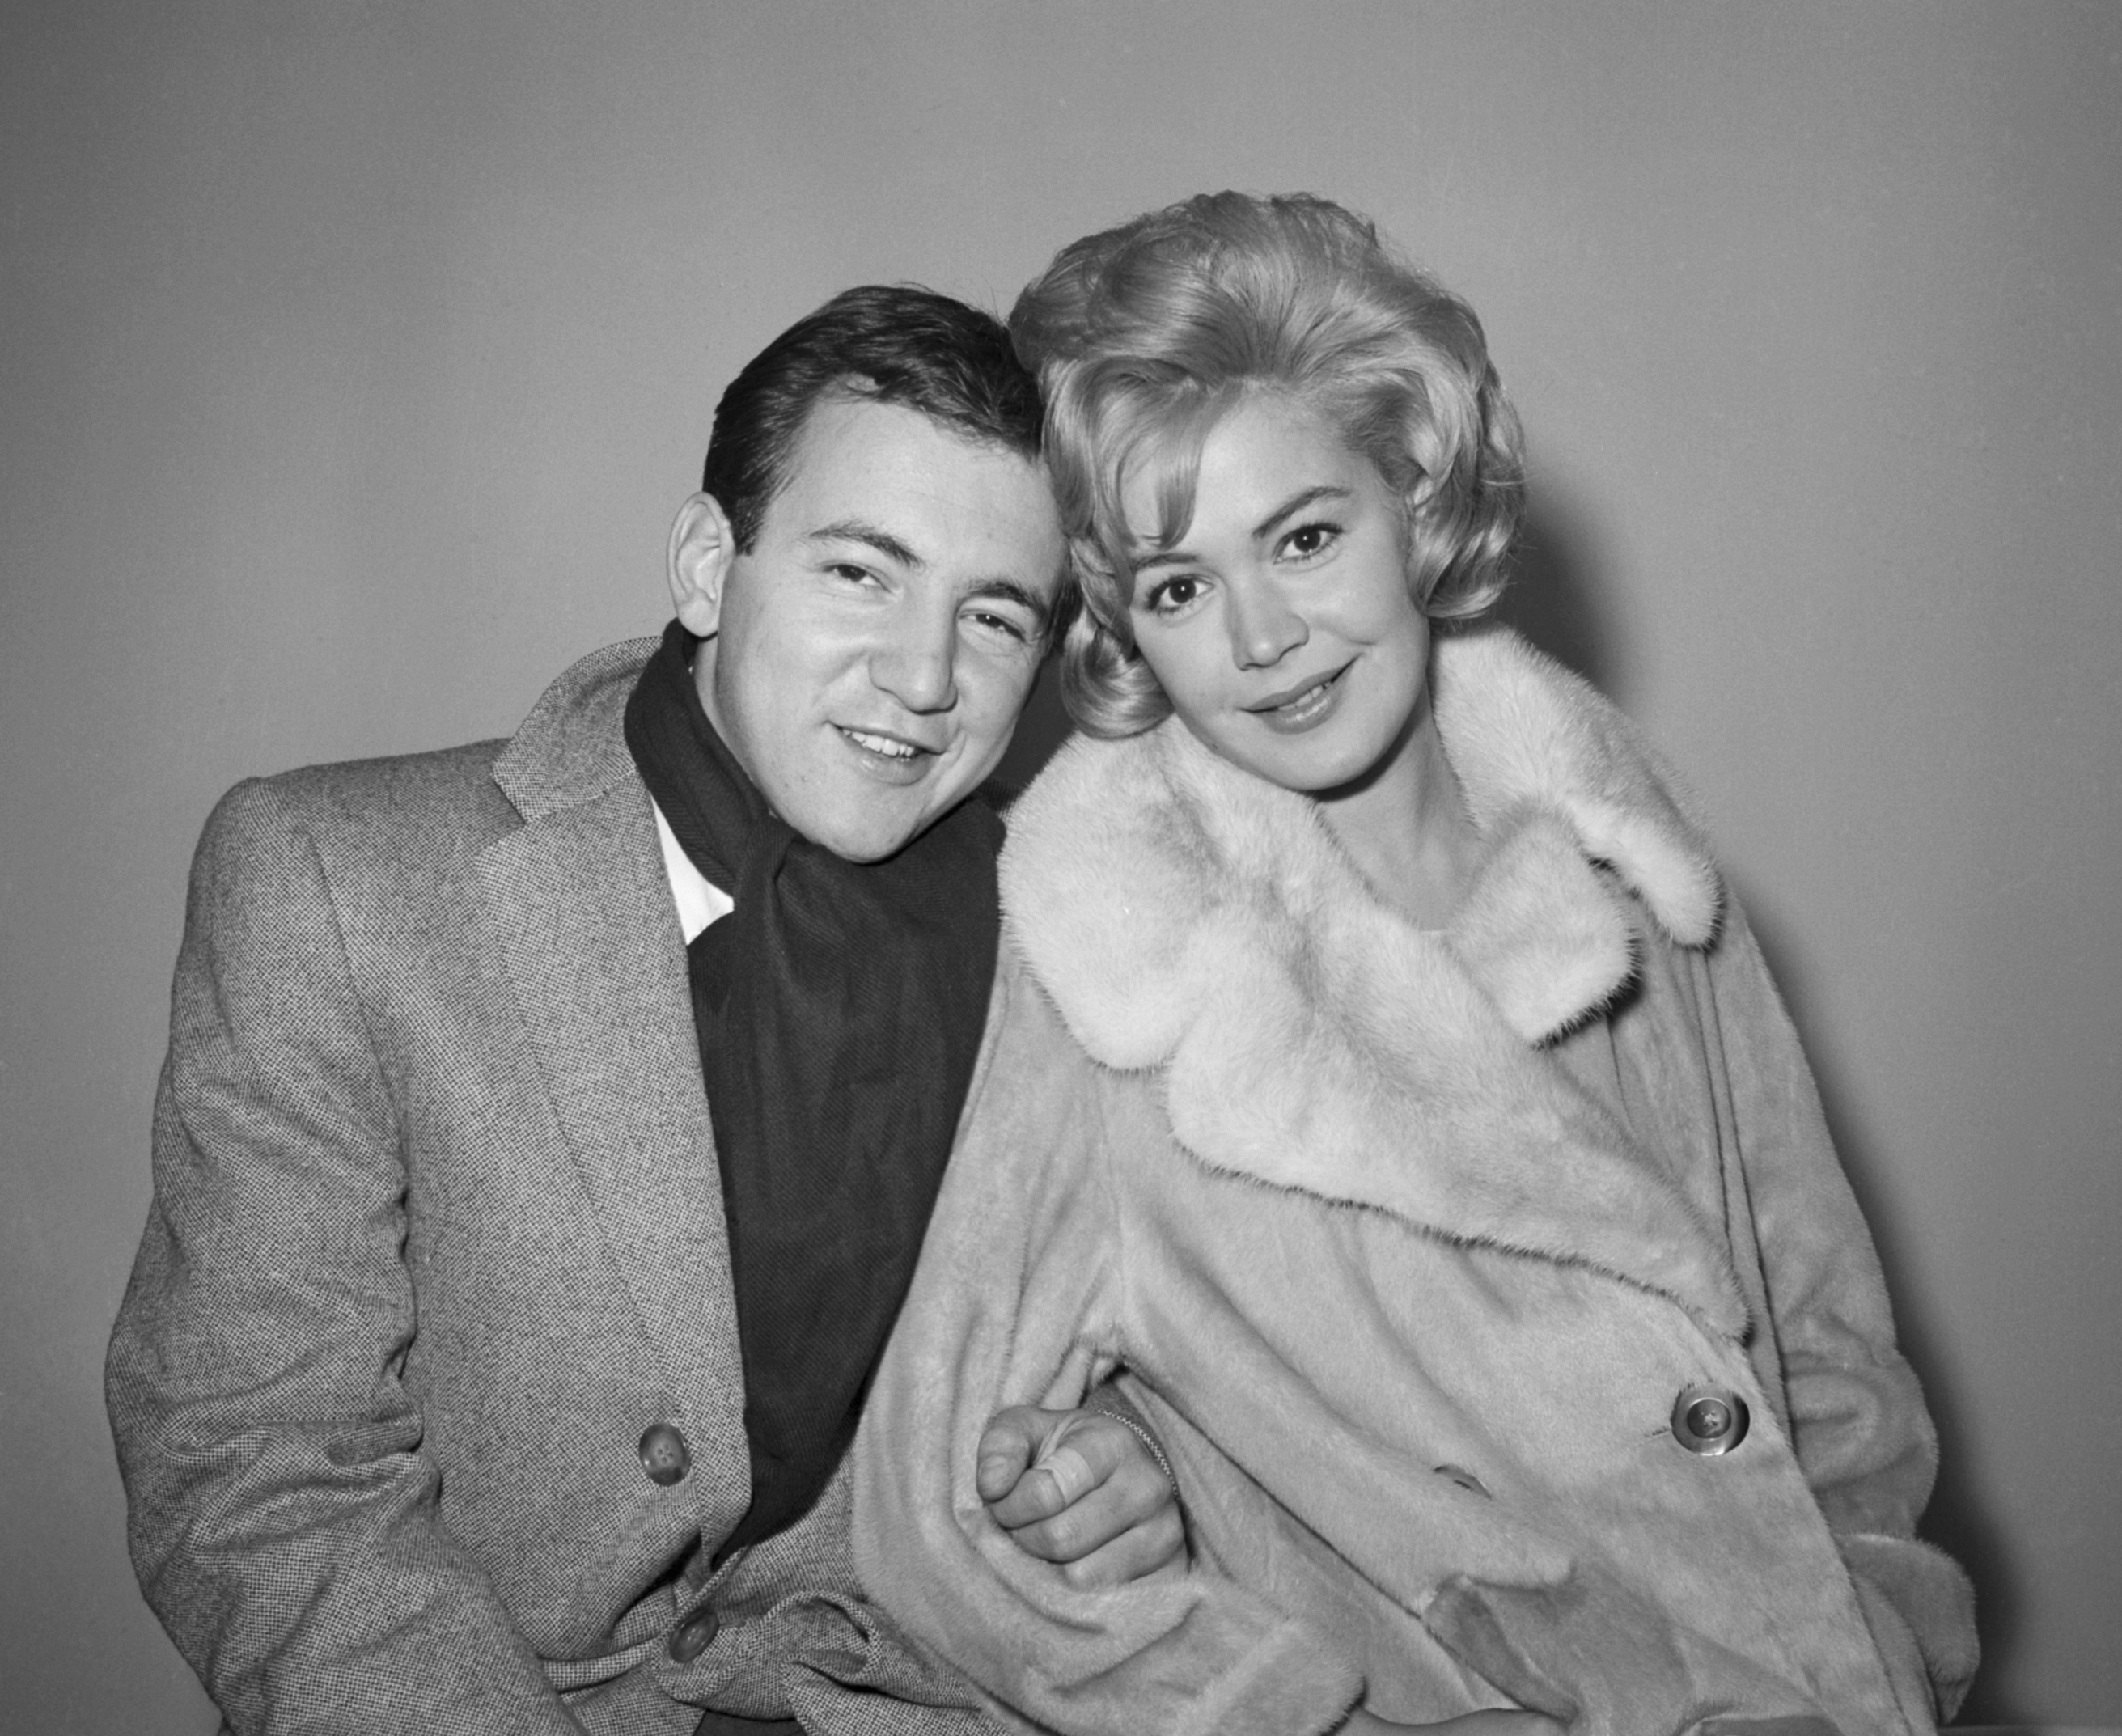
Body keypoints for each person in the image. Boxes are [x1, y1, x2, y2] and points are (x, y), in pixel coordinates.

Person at [852, 195, 1980, 1736]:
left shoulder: (1625, 858)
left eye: (1305, 537)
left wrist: (1882, 1625)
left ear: (1415, 497)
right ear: (1123, 626)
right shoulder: (1101, 974)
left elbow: (1825, 1337)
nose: (1263, 638)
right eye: (1179, 586)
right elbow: (936, 1521)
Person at [104, 285, 1184, 1736]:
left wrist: (1120, 1469)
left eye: (993, 616)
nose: (925, 680)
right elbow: (257, 1458)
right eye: (862, 572)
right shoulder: (331, 878)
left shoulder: (1072, 938)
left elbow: (1143, 1362)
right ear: (705, 564)